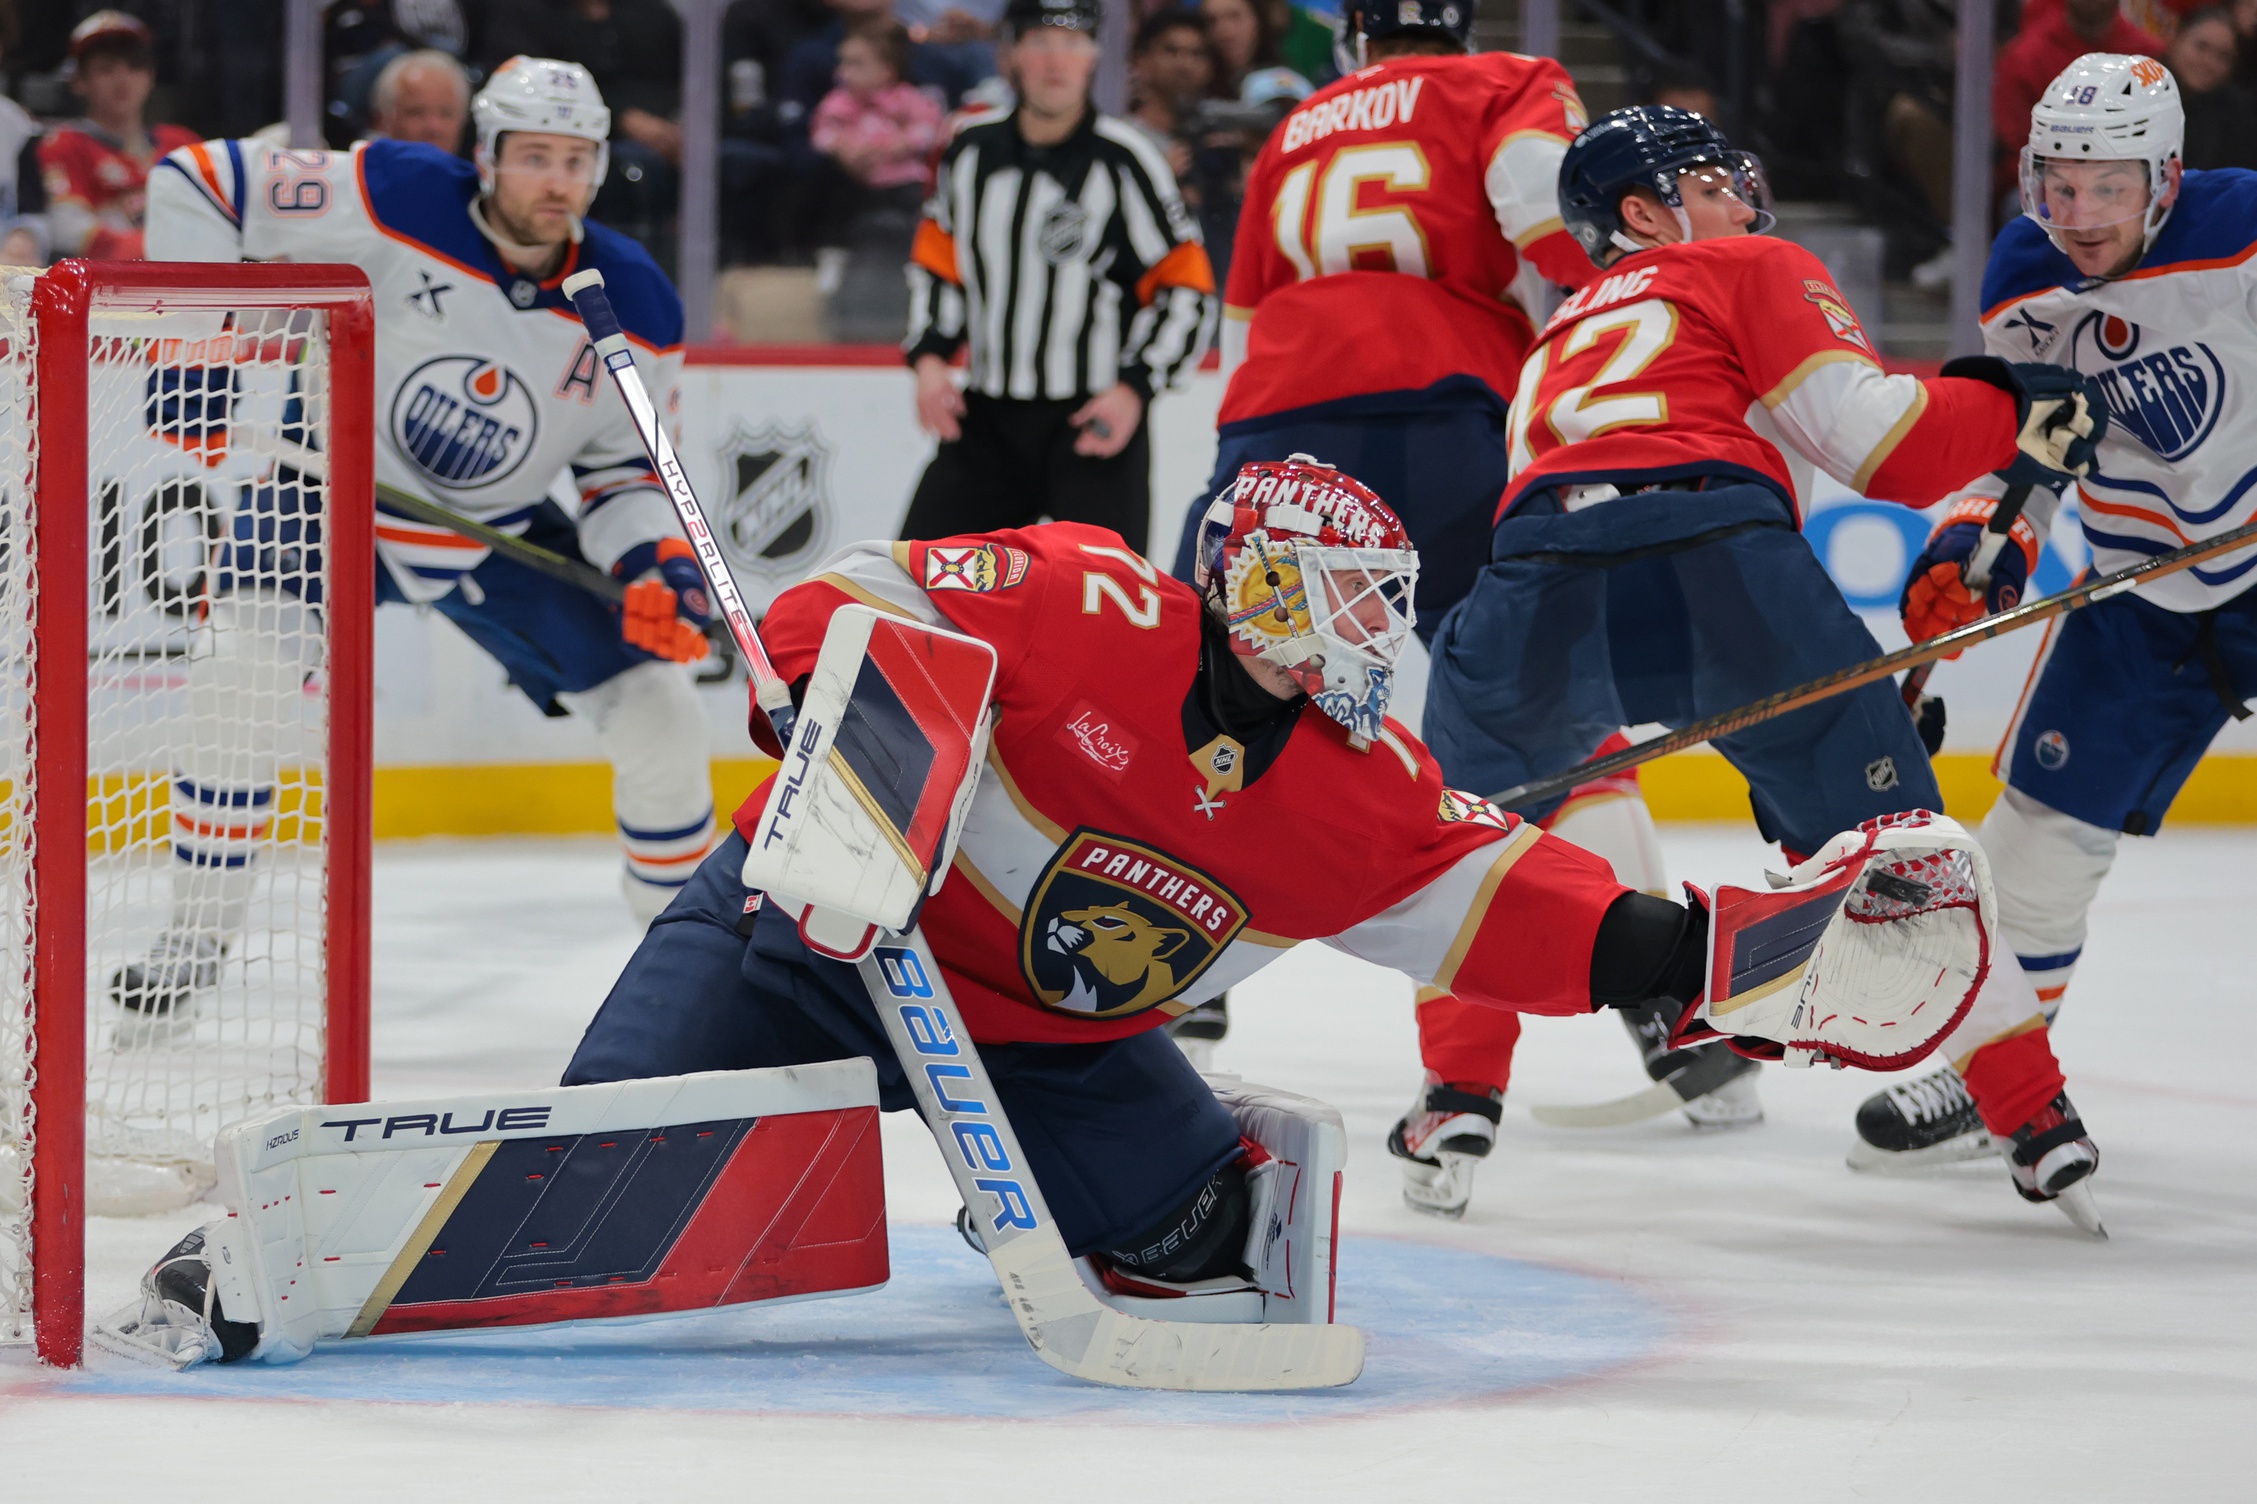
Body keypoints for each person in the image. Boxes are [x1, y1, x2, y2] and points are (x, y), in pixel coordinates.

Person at [561, 457, 1994, 1281]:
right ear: (1259, 583)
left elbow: (1508, 910)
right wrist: (811, 696)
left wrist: (1714, 960)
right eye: (1356, 596)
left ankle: (1019, 1174)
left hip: (1045, 1041)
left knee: (1195, 1251)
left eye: (1388, 603)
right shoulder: (1083, 598)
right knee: (592, 1204)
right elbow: (862, 595)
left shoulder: (1362, 794)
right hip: (804, 949)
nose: (1381, 627)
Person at [1421, 105, 2115, 1222]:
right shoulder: (1740, 266)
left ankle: (1452, 1097)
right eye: (1707, 180)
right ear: (1642, 214)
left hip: (1527, 587)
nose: (1742, 198)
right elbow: (1883, 440)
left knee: (1459, 847)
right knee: (1902, 855)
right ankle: (2032, 1120)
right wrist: (2009, 403)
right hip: (1714, 567)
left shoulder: (1554, 339)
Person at [132, 57, 720, 1025]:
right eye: (533, 156)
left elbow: (622, 476)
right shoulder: (396, 192)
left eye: (575, 160)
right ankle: (191, 940)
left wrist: (654, 565)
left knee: (660, 712)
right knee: (235, 673)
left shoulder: (636, 301)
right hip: (327, 496)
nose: (555, 181)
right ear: (486, 155)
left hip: (491, 532)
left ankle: (692, 984)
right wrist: (196, 352)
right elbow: (196, 181)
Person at [1850, 54, 2257, 1185]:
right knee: (2033, 839)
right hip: (2145, 592)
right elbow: (2030, 446)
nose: (2076, 216)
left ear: (2165, 176)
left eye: (2107, 188)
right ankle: (1995, 1073)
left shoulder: (2244, 229)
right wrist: (1984, 535)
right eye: (2057, 184)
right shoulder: (2027, 274)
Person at [901, 0, 1216, 554]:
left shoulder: (1126, 160)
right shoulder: (969, 151)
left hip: (1092, 421)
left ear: (1094, 55)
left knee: (1105, 613)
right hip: (987, 422)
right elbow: (937, 265)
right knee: (913, 584)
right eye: (1040, 42)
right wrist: (929, 364)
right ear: (1012, 54)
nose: (1056, 60)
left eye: (1072, 43)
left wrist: (1135, 388)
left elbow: (1187, 286)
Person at [37, 10, 198, 260]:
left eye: (135, 66)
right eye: (106, 69)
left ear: (151, 77)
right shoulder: (64, 144)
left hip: (188, 281)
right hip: (109, 286)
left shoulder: (182, 143)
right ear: (78, 81)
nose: (123, 80)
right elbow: (67, 227)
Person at [1996, 0, 2164, 198]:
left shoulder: (2148, 56)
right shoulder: (2026, 56)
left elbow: (2159, 132)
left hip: (2128, 177)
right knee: (2020, 201)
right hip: (2049, 176)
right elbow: (2016, 143)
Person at [811, 20, 945, 211]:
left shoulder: (906, 97)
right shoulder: (837, 101)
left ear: (886, 71)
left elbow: (929, 129)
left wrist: (897, 144)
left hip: (904, 180)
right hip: (856, 182)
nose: (843, 72)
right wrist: (843, 148)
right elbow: (821, 134)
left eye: (856, 64)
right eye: (842, 62)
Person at [2166, 7, 2257, 171]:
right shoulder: (2136, 87)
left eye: (2223, 56)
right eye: (2201, 47)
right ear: (2175, 38)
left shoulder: (2239, 119)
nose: (2208, 63)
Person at [367, 47, 475, 153]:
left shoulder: (481, 170)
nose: (434, 128)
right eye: (416, 113)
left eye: (446, 114)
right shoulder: (356, 169)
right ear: (382, 121)